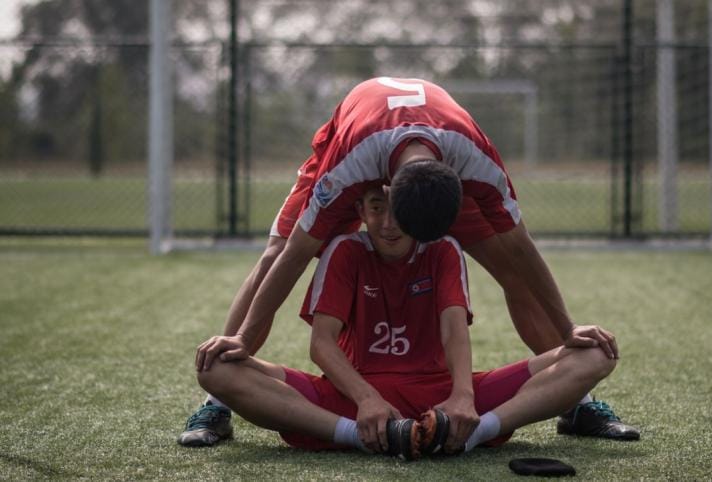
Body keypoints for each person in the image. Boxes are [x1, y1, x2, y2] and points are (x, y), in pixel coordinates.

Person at [179, 77, 638, 446]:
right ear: (385, 194)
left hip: (433, 157)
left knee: (514, 273)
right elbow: (297, 253)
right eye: (383, 215)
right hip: (358, 139)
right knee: (275, 253)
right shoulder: (350, 168)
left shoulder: (476, 161)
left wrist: (568, 329)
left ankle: (576, 403)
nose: (391, 231)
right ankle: (217, 404)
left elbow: (521, 246)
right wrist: (243, 338)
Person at [194, 187, 619, 458]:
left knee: (596, 354)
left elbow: (454, 330)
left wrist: (463, 399)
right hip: (353, 399)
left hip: (444, 398)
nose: (389, 223)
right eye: (377, 208)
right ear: (361, 210)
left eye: (399, 210)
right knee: (216, 369)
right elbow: (321, 344)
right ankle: (355, 435)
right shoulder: (345, 250)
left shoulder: (443, 249)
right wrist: (367, 401)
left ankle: (472, 433)